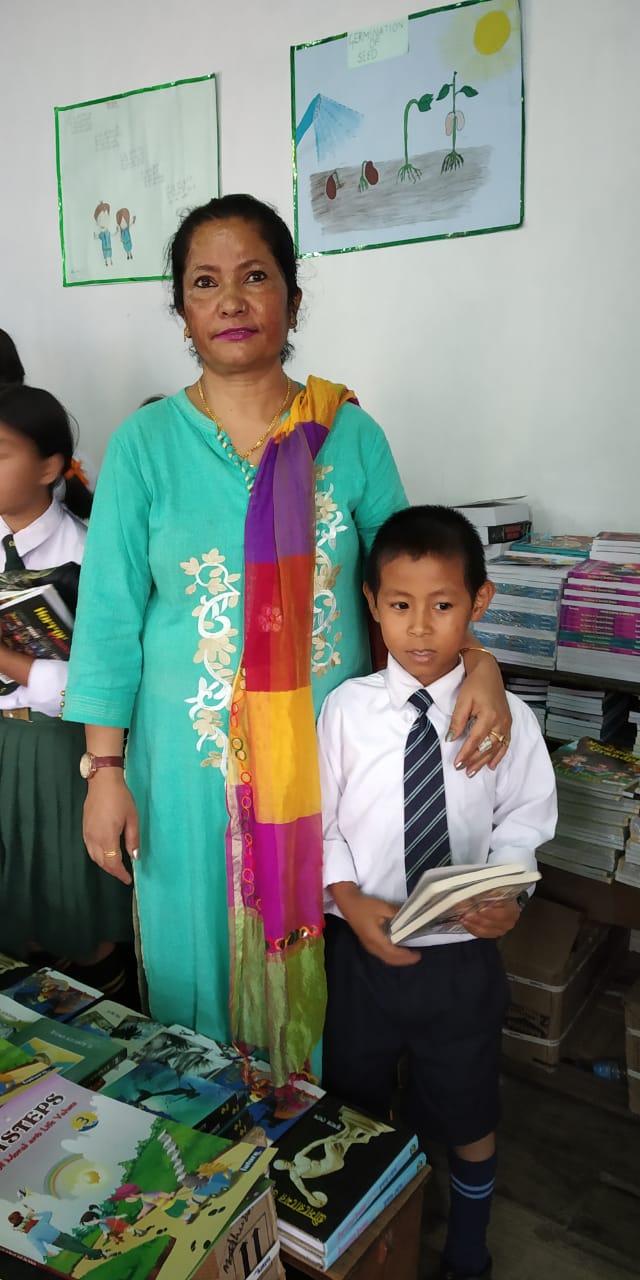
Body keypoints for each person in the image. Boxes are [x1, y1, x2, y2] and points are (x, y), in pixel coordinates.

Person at [63, 193, 512, 1086]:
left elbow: (410, 586)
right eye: (205, 283)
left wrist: (481, 662)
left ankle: (310, 1141)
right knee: (192, 966)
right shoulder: (146, 445)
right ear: (183, 310)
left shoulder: (349, 435)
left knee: (328, 959)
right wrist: (104, 771)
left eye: (255, 276)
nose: (231, 300)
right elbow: (110, 618)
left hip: (325, 763)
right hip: (184, 771)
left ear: (292, 301)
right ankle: (212, 1138)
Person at [318, 505, 557, 1280]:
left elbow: (523, 824)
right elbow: (321, 822)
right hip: (362, 952)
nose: (420, 627)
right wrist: (347, 897)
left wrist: (509, 899)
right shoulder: (347, 712)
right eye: (399, 604)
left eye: (443, 604)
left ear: (478, 602)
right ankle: (362, 1238)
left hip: (461, 959)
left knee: (466, 1107)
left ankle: (465, 1248)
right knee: (353, 1099)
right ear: (371, 602)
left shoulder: (507, 721)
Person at [0, 384, 133, 984]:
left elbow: (95, 682)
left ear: (49, 467)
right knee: (15, 901)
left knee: (74, 901)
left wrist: (12, 663)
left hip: (63, 750)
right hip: (5, 743)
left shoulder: (89, 554)